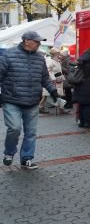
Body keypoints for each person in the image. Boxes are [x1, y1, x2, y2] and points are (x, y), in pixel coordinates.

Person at [0, 31, 60, 170]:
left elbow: (45, 78)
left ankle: (26, 158)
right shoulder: (9, 54)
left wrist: (54, 92)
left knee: (31, 132)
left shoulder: (40, 58)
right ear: (27, 41)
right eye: (37, 41)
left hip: (32, 101)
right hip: (11, 100)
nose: (39, 44)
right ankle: (9, 153)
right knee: (14, 128)